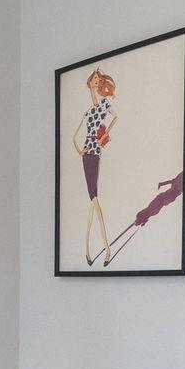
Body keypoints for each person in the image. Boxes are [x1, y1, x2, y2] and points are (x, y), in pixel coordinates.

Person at [72, 68, 117, 265]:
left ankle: (105, 248)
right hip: (86, 150)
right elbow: (74, 135)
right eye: (94, 80)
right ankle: (89, 251)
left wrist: (104, 137)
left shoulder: (104, 105)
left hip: (95, 150)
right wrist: (79, 150)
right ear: (91, 82)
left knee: (94, 197)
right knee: (92, 199)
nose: (96, 83)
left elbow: (115, 117)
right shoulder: (90, 110)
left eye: (99, 81)